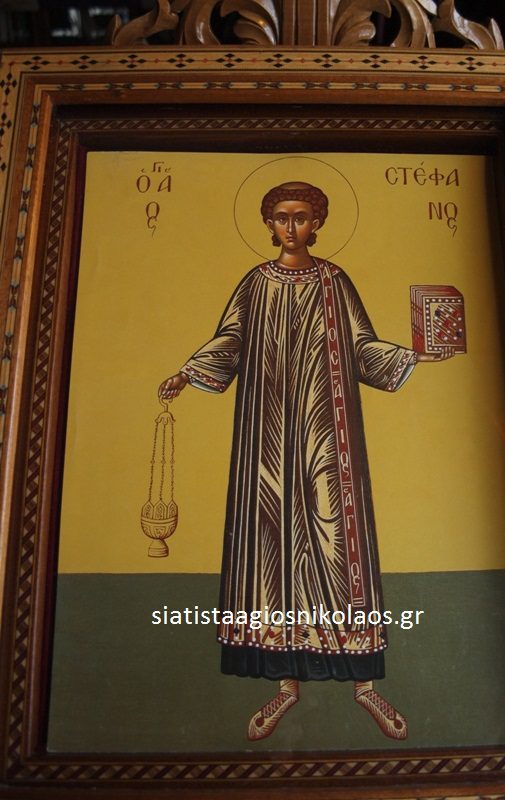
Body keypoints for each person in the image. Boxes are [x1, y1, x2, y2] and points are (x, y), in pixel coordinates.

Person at [159, 181, 454, 741]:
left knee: (337, 536)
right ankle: (285, 687)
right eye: (281, 217)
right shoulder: (256, 283)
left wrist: (413, 355)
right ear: (269, 224)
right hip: (267, 431)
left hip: (326, 430)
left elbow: (362, 346)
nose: (291, 226)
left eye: (300, 217)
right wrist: (188, 373)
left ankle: (364, 686)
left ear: (317, 223)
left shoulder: (333, 281)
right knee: (273, 542)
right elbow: (231, 339)